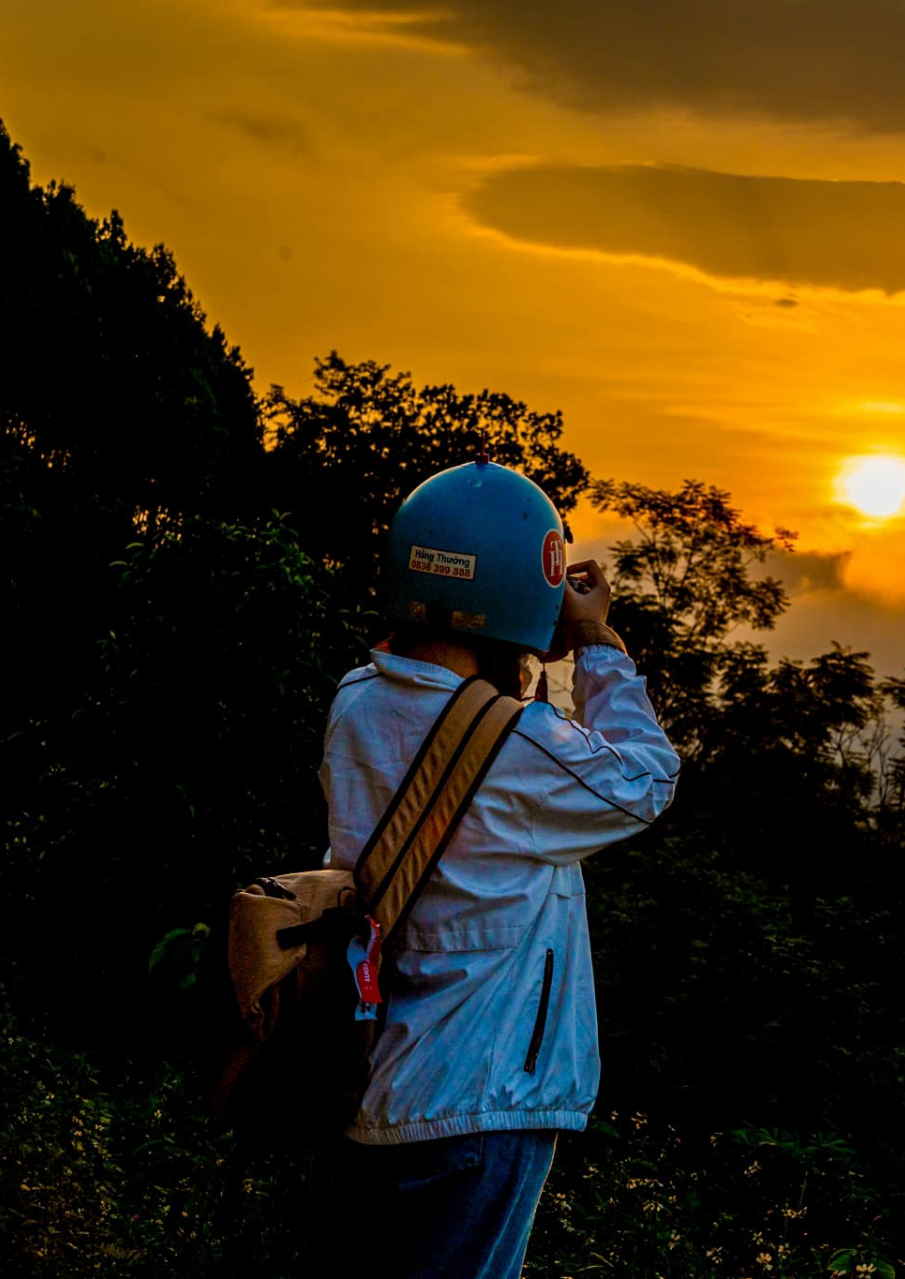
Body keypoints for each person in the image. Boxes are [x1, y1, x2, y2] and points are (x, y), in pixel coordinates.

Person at [305, 459, 680, 1278]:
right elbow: (647, 780)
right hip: (483, 1100)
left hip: (378, 1083)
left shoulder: (355, 703)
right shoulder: (518, 746)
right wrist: (598, 643)